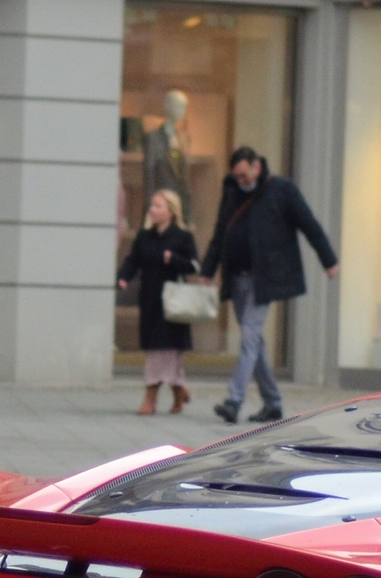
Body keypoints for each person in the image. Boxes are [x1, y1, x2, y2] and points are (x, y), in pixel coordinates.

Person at [198, 146, 335, 424]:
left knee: (249, 337)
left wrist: (328, 260)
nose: (242, 180)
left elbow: (310, 225)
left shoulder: (282, 190)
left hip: (263, 279)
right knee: (255, 342)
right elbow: (220, 231)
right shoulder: (232, 192)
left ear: (257, 167)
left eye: (245, 174)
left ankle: (233, 401)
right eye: (237, 176)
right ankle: (272, 403)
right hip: (237, 278)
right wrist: (208, 270)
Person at [119, 189, 198, 416]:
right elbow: (133, 260)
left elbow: (194, 266)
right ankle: (179, 389)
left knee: (167, 351)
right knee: (156, 348)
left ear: (171, 211)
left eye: (158, 206)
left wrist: (173, 259)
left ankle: (151, 396)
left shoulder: (182, 237)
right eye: (152, 206)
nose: (152, 210)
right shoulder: (145, 236)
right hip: (151, 299)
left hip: (174, 302)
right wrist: (123, 277)